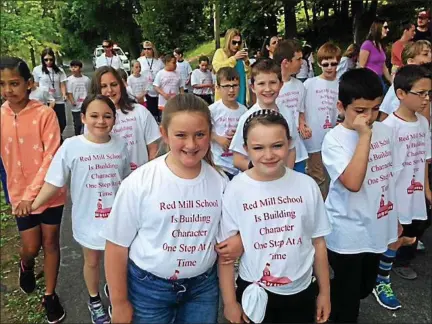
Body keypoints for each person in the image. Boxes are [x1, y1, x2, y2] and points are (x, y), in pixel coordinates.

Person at [102, 94, 242, 323]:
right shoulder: (140, 182)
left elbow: (231, 231)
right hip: (149, 290)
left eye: (200, 134)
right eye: (181, 135)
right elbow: (116, 246)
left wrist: (240, 240)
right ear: (164, 134)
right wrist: (119, 302)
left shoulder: (221, 182)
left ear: (210, 134)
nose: (191, 144)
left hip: (202, 289)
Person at [218, 109, 331, 324]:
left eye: (277, 146)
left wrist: (324, 292)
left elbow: (318, 242)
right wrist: (230, 303)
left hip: (301, 291)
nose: (268, 155)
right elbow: (226, 256)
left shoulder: (306, 185)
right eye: (258, 148)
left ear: (289, 143)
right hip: (255, 290)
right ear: (246, 149)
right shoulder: (236, 189)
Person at [32, 95, 130, 324]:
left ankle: (117, 297)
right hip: (88, 219)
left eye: (107, 116)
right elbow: (54, 181)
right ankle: (94, 299)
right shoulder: (72, 146)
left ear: (114, 119)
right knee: (93, 261)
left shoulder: (121, 145)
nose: (101, 121)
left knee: (119, 262)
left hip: (118, 220)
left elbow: (127, 182)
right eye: (94, 116)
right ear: (83, 117)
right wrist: (34, 205)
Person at [322, 68, 398, 323]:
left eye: (375, 109)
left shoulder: (386, 132)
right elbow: (353, 182)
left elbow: (390, 177)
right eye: (360, 111)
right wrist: (364, 136)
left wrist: (395, 216)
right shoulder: (335, 140)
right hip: (347, 232)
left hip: (377, 225)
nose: (368, 117)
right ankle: (327, 306)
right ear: (341, 107)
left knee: (365, 287)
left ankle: (324, 297)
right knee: (348, 300)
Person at [0, 57, 67, 323]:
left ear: (29, 84)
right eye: (3, 84)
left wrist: (34, 195)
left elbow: (51, 156)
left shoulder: (45, 114)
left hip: (49, 193)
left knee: (50, 243)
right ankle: (26, 265)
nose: (8, 90)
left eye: (14, 83)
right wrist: (22, 196)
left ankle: (50, 296)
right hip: (18, 196)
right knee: (31, 245)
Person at [372, 64, 431, 311]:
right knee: (393, 237)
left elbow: (424, 159)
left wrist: (426, 190)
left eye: (430, 93)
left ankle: (381, 269)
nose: (427, 99)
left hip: (414, 193)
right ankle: (381, 280)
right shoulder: (388, 128)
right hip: (394, 196)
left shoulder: (423, 123)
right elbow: (381, 170)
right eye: (421, 93)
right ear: (401, 94)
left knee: (403, 236)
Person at [229, 59, 296, 172]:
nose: (268, 89)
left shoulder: (287, 113)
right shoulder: (247, 118)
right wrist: (263, 173)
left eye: (273, 83)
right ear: (253, 87)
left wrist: (286, 175)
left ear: (281, 84)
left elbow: (291, 149)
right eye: (261, 84)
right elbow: (237, 159)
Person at [92, 66, 160, 170]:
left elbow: (154, 147)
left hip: (140, 180)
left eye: (114, 84)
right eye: (103, 86)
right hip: (110, 181)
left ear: (121, 85)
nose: (110, 90)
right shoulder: (92, 119)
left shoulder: (140, 111)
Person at [302, 42, 341, 199]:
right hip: (314, 139)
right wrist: (302, 124)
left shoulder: (341, 84)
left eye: (334, 63)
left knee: (333, 175)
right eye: (326, 64)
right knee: (317, 177)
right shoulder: (309, 84)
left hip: (333, 138)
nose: (330, 67)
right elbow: (300, 109)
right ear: (319, 64)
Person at [274, 39, 311, 174]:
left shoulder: (300, 86)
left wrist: (303, 125)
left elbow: (300, 113)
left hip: (298, 150)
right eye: (298, 59)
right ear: (286, 62)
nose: (302, 63)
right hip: (277, 151)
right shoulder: (271, 88)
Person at [379, 40, 432, 122]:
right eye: (425, 54)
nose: (430, 56)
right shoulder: (399, 84)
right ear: (411, 62)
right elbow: (384, 113)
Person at [209, 67, 247, 180]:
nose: (231, 90)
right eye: (226, 86)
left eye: (235, 85)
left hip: (238, 165)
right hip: (219, 165)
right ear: (218, 87)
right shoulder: (212, 110)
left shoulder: (244, 111)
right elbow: (203, 131)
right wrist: (218, 138)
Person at [33, 47, 68, 136]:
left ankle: (58, 135)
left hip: (58, 99)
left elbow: (62, 84)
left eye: (51, 59)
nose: (48, 62)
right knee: (47, 121)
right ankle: (51, 137)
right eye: (46, 60)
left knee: (62, 122)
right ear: (42, 59)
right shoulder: (37, 70)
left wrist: (64, 94)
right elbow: (36, 85)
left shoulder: (59, 71)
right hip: (45, 100)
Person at [212, 28, 250, 105]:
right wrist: (234, 58)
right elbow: (218, 69)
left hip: (241, 96)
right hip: (225, 99)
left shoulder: (241, 55)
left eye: (239, 43)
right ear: (228, 41)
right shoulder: (220, 52)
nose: (237, 45)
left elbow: (249, 76)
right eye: (234, 42)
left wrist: (246, 62)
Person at [359, 19, 392, 91]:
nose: (388, 30)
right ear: (378, 28)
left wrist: (392, 82)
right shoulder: (367, 44)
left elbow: (384, 67)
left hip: (379, 80)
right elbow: (361, 67)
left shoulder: (380, 45)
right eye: (385, 27)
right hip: (369, 81)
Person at [137, 41, 165, 120]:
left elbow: (163, 74)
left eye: (149, 49)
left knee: (158, 112)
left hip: (157, 90)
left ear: (152, 49)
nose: (146, 51)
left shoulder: (158, 61)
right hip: (145, 91)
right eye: (145, 49)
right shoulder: (140, 60)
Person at [66, 60, 91, 136]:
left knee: (85, 122)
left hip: (84, 104)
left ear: (80, 68)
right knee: (77, 124)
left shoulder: (86, 79)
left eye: (75, 67)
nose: (73, 69)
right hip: (75, 106)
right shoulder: (69, 80)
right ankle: (77, 136)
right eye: (72, 67)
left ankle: (85, 135)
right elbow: (69, 92)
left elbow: (88, 91)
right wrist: (72, 101)